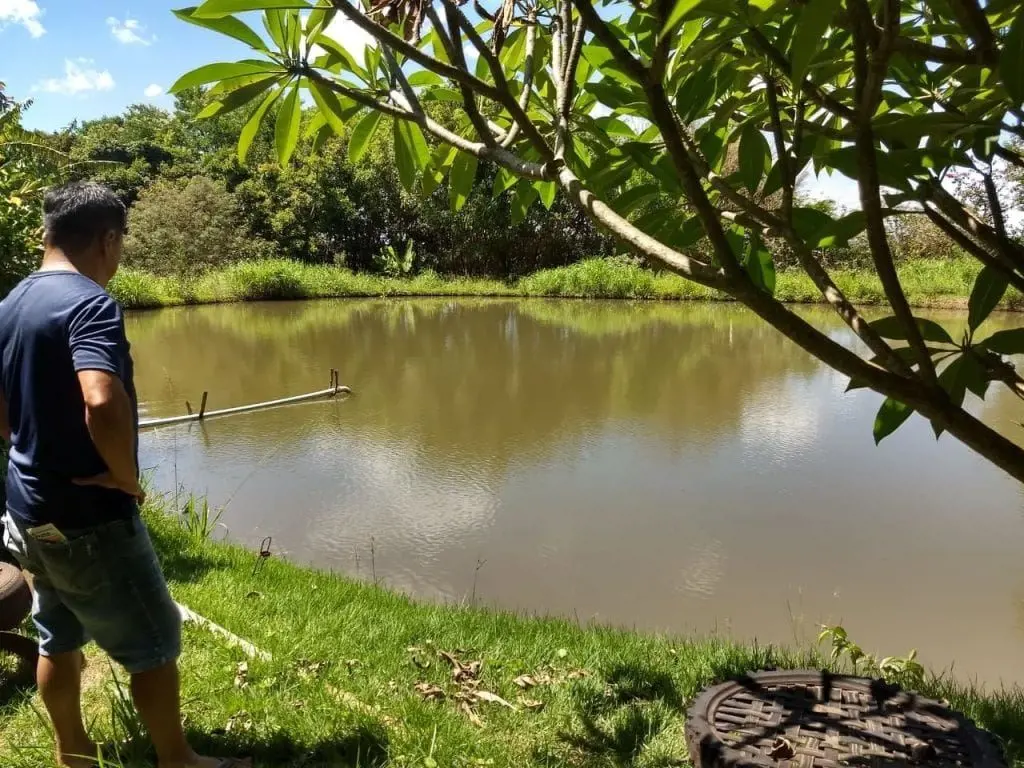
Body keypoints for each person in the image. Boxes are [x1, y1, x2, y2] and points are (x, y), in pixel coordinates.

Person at [0, 182, 246, 768]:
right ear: (108, 240)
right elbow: (101, 399)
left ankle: (73, 752)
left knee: (56, 630)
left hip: (30, 511)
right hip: (90, 519)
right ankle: (177, 760)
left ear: (47, 234)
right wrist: (125, 475)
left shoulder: (10, 304)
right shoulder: (88, 303)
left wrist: (21, 450)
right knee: (154, 642)